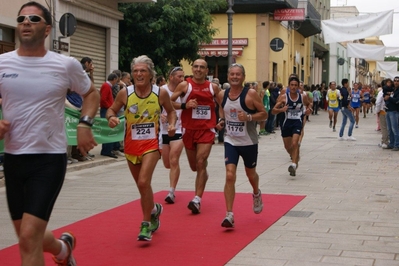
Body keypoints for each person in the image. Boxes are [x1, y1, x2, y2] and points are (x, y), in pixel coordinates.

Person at [0, 2, 100, 265]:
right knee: (26, 235)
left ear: (46, 29)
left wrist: (84, 124)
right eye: (21, 18)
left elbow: (91, 93)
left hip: (48, 158)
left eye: (33, 18)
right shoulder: (2, 63)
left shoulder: (64, 65)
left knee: (28, 238)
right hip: (14, 158)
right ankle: (63, 248)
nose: (25, 22)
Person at [106, 55, 177, 241]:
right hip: (131, 146)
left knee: (144, 182)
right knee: (142, 186)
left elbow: (171, 112)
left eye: (142, 71)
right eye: (136, 71)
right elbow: (111, 109)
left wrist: (171, 125)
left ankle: (145, 225)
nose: (138, 74)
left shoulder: (159, 93)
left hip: (152, 144)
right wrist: (111, 118)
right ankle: (154, 209)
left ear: (150, 73)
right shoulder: (125, 93)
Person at [215, 63, 267, 228]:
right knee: (230, 175)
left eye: (238, 74)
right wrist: (221, 120)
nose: (235, 77)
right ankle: (229, 214)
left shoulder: (250, 94)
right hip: (231, 140)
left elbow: (264, 113)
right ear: (228, 77)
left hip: (248, 142)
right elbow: (222, 109)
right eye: (232, 74)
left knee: (250, 175)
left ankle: (256, 193)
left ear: (243, 77)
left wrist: (249, 117)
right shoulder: (222, 94)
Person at [170, 59, 220, 214]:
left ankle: (197, 199)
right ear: (192, 69)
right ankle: (203, 173)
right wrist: (185, 105)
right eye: (196, 67)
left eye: (202, 67)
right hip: (189, 130)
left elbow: (223, 104)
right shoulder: (185, 85)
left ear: (207, 71)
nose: (198, 69)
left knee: (200, 161)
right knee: (195, 167)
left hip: (206, 129)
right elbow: (169, 103)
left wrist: (222, 119)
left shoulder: (213, 87)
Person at [272, 76, 312, 177]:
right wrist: (281, 110)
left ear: (298, 87)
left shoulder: (302, 97)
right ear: (289, 86)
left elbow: (309, 104)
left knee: (295, 143)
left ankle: (293, 165)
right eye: (292, 85)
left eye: (295, 85)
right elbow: (273, 111)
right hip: (286, 123)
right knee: (287, 147)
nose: (293, 87)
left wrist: (309, 110)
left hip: (297, 122)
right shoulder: (283, 97)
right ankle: (295, 157)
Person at [160, 67, 185, 203]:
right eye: (179, 76)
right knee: (167, 163)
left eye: (183, 76)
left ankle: (171, 192)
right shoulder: (162, 90)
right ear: (171, 77)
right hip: (164, 131)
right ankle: (173, 180)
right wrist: (161, 116)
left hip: (179, 129)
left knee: (174, 159)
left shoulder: (184, 91)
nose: (182, 79)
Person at [100, 73, 119, 158]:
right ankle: (106, 150)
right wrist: (111, 108)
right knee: (108, 130)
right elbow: (103, 99)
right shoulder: (106, 86)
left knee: (110, 130)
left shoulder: (108, 86)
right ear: (114, 79)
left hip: (107, 109)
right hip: (106, 110)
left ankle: (108, 149)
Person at [384, 76, 399, 151]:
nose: (396, 82)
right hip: (388, 110)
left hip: (394, 111)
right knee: (389, 129)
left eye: (397, 81)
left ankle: (397, 144)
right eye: (395, 81)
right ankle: (391, 143)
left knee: (395, 129)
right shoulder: (393, 90)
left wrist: (389, 98)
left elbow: (397, 100)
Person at [375, 80, 389, 148]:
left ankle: (385, 142)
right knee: (388, 127)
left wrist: (377, 111)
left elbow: (378, 102)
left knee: (384, 128)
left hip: (382, 111)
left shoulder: (381, 92)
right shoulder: (391, 92)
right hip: (389, 111)